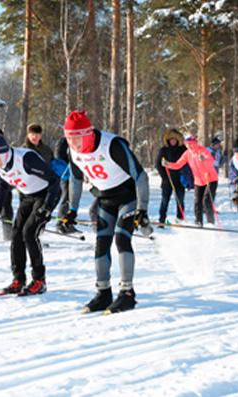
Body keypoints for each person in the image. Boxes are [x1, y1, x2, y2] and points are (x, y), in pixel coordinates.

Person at [61, 110, 151, 314]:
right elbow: (75, 180)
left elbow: (141, 176)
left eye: (76, 138)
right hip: (104, 199)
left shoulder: (112, 146)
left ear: (88, 134)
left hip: (128, 197)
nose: (72, 144)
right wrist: (72, 210)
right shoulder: (72, 151)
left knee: (121, 238)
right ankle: (103, 293)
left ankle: (127, 293)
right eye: (68, 138)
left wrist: (142, 209)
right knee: (101, 243)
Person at [0, 133, 60, 296]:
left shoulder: (25, 159)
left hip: (45, 194)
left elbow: (54, 180)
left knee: (29, 233)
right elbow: (2, 185)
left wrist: (47, 206)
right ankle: (18, 279)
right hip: (27, 196)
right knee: (16, 234)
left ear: (4, 152)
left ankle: (39, 280)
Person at [163, 134, 219, 226]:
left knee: (206, 201)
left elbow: (211, 161)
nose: (189, 146)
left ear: (195, 143)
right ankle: (198, 222)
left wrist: (204, 159)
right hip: (198, 181)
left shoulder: (202, 150)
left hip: (210, 179)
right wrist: (168, 164)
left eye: (191, 143)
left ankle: (210, 223)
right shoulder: (187, 153)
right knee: (197, 203)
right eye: (187, 144)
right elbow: (178, 164)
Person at [156, 129, 186, 226]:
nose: (173, 141)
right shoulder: (164, 150)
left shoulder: (183, 150)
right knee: (165, 201)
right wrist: (164, 177)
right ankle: (162, 220)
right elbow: (158, 164)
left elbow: (187, 163)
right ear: (168, 140)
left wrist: (184, 175)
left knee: (180, 201)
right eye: (171, 139)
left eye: (175, 140)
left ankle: (179, 219)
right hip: (167, 180)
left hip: (179, 180)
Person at [54, 137, 76, 234]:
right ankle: (60, 223)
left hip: (73, 174)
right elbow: (58, 158)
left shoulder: (76, 141)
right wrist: (64, 171)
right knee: (66, 198)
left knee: (72, 199)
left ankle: (68, 223)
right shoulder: (62, 142)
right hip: (65, 174)